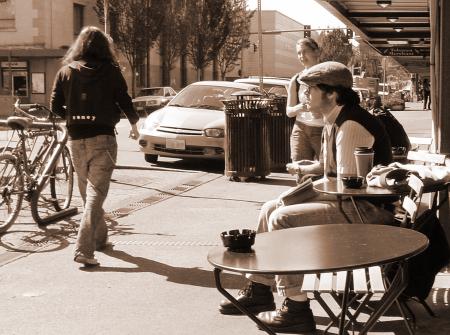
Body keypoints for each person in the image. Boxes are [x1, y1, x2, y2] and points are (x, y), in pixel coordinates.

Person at [219, 62, 394, 333]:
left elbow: (347, 186)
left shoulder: (351, 124)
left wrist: (300, 195)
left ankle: (296, 307)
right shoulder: (336, 119)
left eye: (311, 90)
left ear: (332, 94)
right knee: (270, 207)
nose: (305, 96)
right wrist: (301, 181)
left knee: (282, 218)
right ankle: (259, 288)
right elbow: (331, 172)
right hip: (354, 205)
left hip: (367, 212)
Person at [50, 26, 140, 266]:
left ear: (80, 45)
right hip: (103, 139)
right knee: (95, 195)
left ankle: (100, 239)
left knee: (88, 194)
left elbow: (55, 107)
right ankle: (83, 249)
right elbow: (124, 99)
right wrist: (134, 125)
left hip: (75, 140)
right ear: (104, 47)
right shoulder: (111, 71)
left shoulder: (65, 72)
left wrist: (74, 113)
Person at [286, 37, 323, 162]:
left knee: (326, 171)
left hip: (323, 130)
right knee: (300, 170)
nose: (301, 56)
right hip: (300, 130)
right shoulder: (296, 80)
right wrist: (300, 107)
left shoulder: (328, 77)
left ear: (317, 52)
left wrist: (322, 111)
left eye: (305, 51)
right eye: (298, 53)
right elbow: (289, 112)